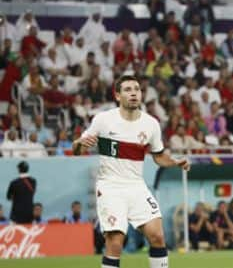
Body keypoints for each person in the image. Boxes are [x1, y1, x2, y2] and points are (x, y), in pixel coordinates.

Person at [73, 75, 190, 268]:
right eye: (127, 89)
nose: (134, 92)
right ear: (117, 95)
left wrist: (176, 162)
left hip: (136, 186)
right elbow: (77, 150)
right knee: (115, 243)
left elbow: (159, 156)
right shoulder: (103, 120)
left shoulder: (151, 124)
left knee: (157, 235)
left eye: (137, 89)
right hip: (110, 187)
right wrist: (79, 144)